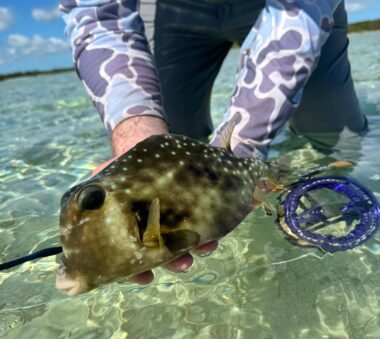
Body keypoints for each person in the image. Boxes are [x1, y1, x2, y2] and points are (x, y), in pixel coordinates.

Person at [59, 0, 367, 283]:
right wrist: (136, 133)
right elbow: (97, 14)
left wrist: (244, 151)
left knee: (335, 139)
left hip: (298, 8)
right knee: (168, 131)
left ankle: (305, 191)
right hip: (169, 9)